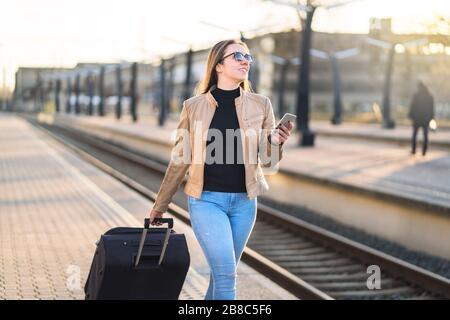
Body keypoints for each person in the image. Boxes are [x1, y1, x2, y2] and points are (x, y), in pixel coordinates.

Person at [147, 39, 293, 300]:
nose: (245, 60)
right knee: (227, 277)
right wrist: (160, 205)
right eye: (237, 55)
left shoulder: (262, 104)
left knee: (221, 276)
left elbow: (269, 163)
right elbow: (180, 159)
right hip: (206, 202)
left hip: (244, 203)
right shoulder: (194, 107)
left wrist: (274, 142)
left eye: (248, 56)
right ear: (218, 65)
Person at [408, 81, 435, 156]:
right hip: (426, 119)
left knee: (414, 134)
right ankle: (424, 151)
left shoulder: (416, 95)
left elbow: (412, 106)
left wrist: (410, 116)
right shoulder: (430, 96)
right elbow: (432, 108)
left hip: (416, 118)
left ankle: (413, 150)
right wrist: (431, 117)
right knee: (425, 135)